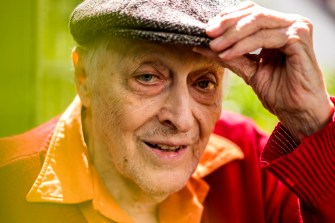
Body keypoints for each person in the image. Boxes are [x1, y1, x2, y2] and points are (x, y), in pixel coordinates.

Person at [0, 0, 334, 222]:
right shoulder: (8, 184)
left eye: (204, 83)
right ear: (84, 78)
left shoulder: (250, 164)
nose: (182, 118)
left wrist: (313, 123)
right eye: (147, 77)